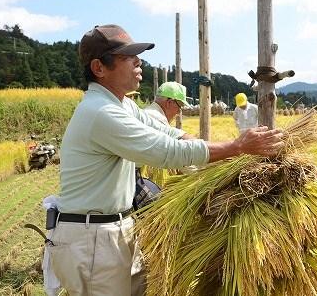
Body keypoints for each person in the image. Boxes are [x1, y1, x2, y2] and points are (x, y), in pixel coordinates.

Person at [46, 24, 283, 296]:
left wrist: (197, 141)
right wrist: (237, 147)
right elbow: (165, 152)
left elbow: (163, 131)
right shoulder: (100, 112)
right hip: (93, 238)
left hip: (115, 228)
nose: (138, 61)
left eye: (138, 55)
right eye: (128, 57)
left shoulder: (123, 104)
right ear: (99, 68)